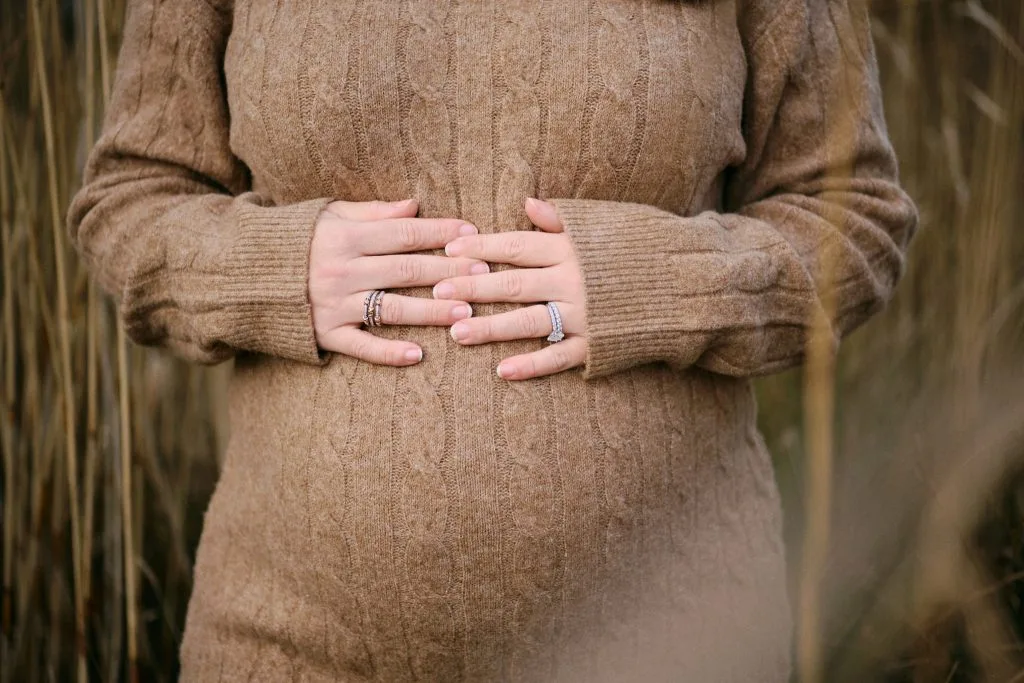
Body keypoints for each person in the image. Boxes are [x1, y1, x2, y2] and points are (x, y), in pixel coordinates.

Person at [67, 0, 918, 680]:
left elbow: (855, 220)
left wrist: (658, 283)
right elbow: (131, 196)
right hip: (288, 638)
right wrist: (272, 268)